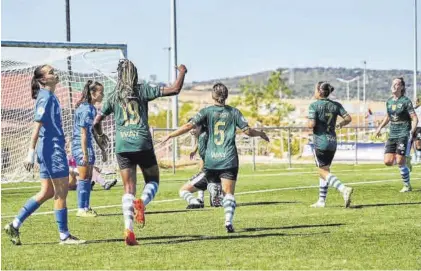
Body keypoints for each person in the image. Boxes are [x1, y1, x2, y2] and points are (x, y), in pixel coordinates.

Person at [93, 59, 188, 245]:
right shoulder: (143, 90)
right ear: (135, 74)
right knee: (153, 181)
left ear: (119, 76)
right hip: (142, 142)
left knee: (128, 188)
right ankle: (142, 203)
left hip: (123, 146)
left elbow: (96, 122)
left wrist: (100, 135)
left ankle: (129, 230)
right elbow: (175, 89)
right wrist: (182, 72)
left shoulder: (113, 96)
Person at [162, 83, 269, 233]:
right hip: (229, 159)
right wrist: (261, 134)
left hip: (211, 161)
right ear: (226, 96)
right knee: (229, 194)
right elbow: (247, 131)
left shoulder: (206, 111)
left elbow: (188, 126)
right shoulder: (234, 112)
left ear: (213, 96)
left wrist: (170, 135)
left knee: (202, 184)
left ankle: (209, 190)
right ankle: (227, 221)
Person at [4, 65, 85, 245]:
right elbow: (37, 125)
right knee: (61, 192)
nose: (55, 73)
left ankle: (14, 224)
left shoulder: (50, 96)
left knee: (47, 191)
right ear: (43, 80)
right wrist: (30, 153)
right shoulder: (46, 97)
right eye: (50, 72)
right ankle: (64, 236)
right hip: (51, 149)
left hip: (50, 148)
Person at [308, 81, 354, 208]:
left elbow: (311, 124)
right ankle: (321, 201)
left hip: (320, 141)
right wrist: (339, 124)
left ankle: (343, 188)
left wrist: (308, 123)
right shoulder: (336, 105)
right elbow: (348, 118)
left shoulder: (314, 106)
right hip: (332, 141)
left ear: (319, 91)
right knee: (325, 170)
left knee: (322, 171)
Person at [375, 77, 418, 192]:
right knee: (388, 162)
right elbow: (388, 117)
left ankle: (407, 185)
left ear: (402, 87)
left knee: (399, 161)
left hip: (403, 132)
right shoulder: (389, 101)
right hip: (392, 133)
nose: (394, 86)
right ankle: (405, 159)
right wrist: (379, 128)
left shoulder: (406, 101)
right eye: (393, 83)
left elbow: (414, 118)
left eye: (397, 84)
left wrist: (411, 131)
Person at [72, 80, 106, 217]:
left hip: (87, 145)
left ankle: (86, 207)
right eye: (101, 92)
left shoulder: (91, 108)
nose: (103, 95)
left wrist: (102, 148)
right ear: (93, 93)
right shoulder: (86, 109)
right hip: (81, 146)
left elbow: (91, 132)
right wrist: (84, 153)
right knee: (84, 177)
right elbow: (84, 133)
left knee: (88, 177)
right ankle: (81, 209)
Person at [179, 121, 223, 209]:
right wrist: (194, 150)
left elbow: (204, 157)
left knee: (183, 190)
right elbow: (199, 143)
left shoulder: (203, 137)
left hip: (209, 170)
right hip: (220, 169)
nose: (191, 130)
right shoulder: (206, 133)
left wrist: (203, 170)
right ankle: (214, 190)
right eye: (190, 128)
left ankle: (196, 202)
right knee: (202, 181)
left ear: (200, 126)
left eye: (194, 127)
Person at [413, 98, 421, 163]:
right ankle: (415, 156)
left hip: (419, 127)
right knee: (413, 142)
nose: (415, 102)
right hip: (413, 127)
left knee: (418, 142)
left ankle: (419, 157)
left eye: (416, 101)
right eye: (414, 101)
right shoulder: (412, 109)